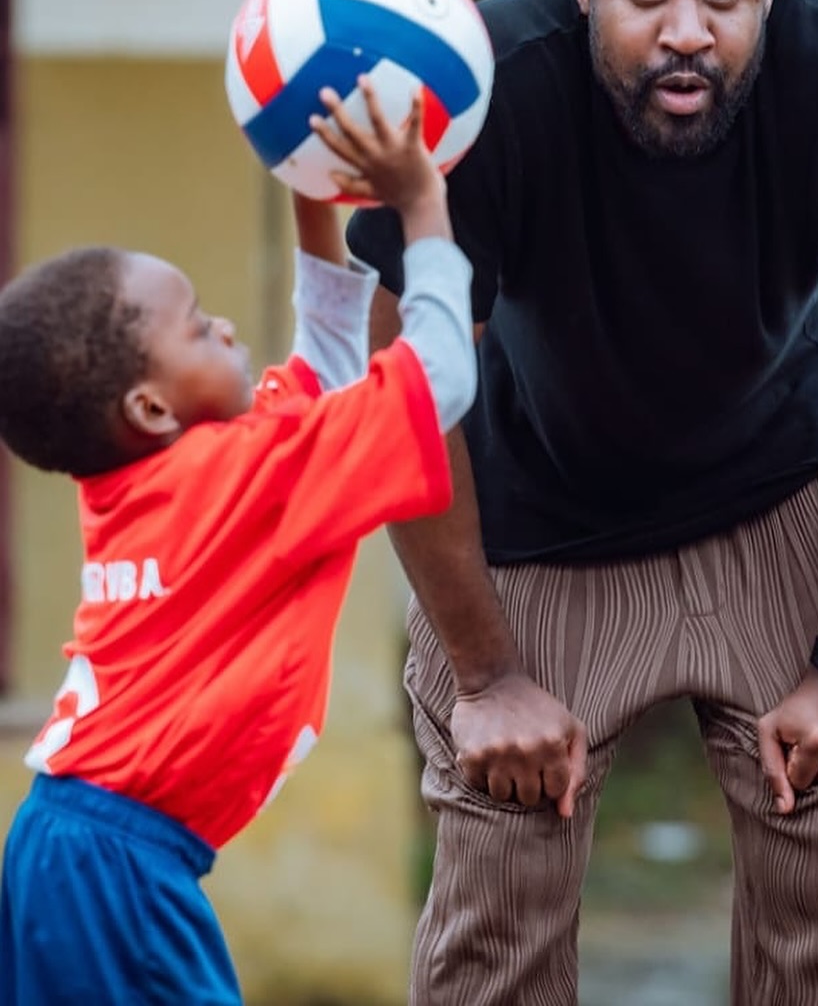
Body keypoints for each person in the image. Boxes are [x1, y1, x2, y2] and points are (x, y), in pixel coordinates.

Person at [337, 0, 818, 1005]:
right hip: (539, 516)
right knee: (498, 926)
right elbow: (406, 406)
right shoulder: (483, 91)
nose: (686, 29)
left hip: (776, 491)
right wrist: (485, 679)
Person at [0, 80, 476, 1006]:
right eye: (196, 324)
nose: (223, 326)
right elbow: (440, 380)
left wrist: (312, 189)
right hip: (114, 866)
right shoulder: (247, 480)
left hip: (80, 847)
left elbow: (331, 361)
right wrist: (423, 207)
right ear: (149, 407)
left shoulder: (172, 479)